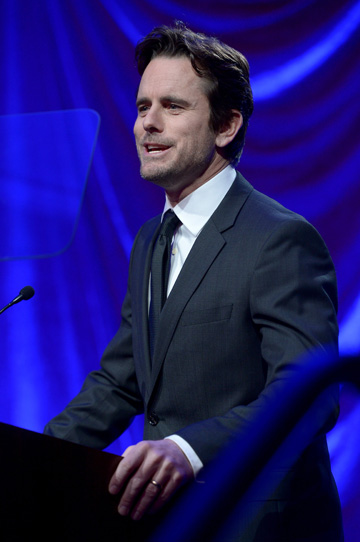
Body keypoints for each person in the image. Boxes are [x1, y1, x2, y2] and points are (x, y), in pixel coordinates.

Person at [45, 23, 343, 540]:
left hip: (259, 524)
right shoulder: (149, 240)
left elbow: (308, 397)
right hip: (171, 524)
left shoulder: (281, 240)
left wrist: (187, 449)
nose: (147, 125)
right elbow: (122, 382)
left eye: (172, 107)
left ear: (226, 125)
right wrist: (34, 456)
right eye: (142, 107)